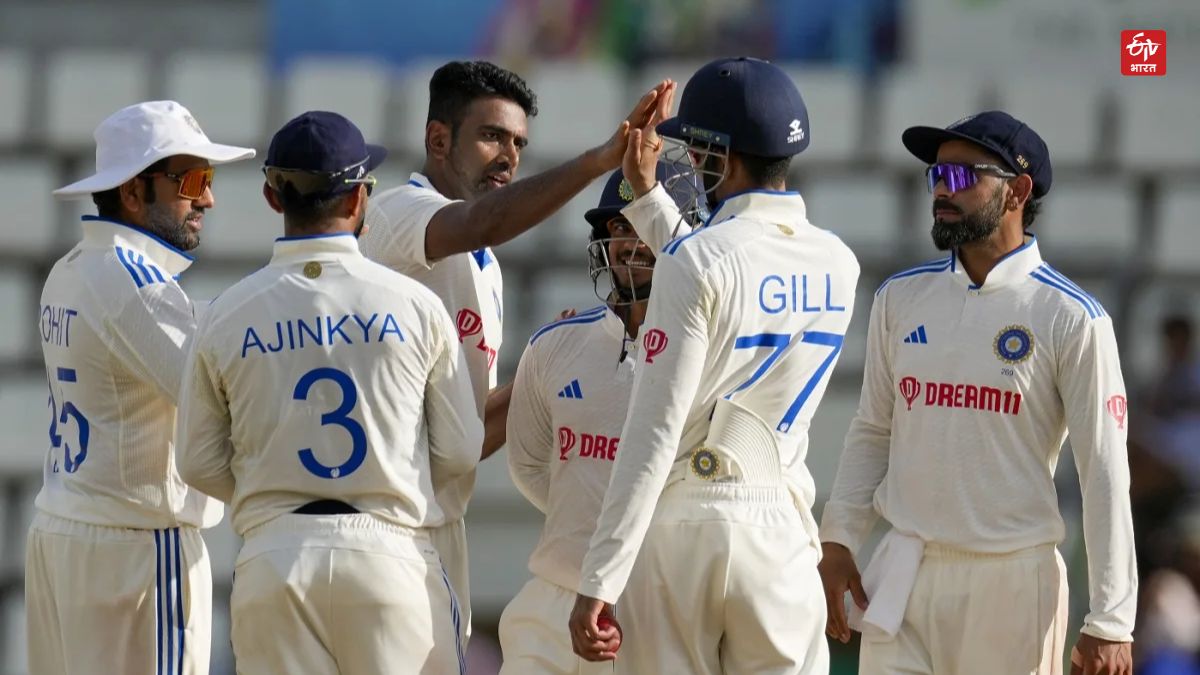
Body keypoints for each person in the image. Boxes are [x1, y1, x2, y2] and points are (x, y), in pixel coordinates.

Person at [817, 111, 1137, 675]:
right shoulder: (900, 297)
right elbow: (873, 429)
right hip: (906, 572)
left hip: (1010, 582)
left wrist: (1111, 619)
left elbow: (1104, 469)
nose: (943, 189)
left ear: (1017, 190)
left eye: (964, 177)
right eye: (937, 176)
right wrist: (839, 539)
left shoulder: (1071, 317)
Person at [569, 57, 861, 674]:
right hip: (779, 536)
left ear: (717, 156)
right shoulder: (840, 262)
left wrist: (601, 576)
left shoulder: (695, 262)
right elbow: (728, 269)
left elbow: (653, 430)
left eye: (696, 149)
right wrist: (648, 199)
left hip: (684, 529)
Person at [359, 60, 669, 641]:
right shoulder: (398, 213)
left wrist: (545, 369)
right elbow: (485, 221)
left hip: (434, 518)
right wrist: (600, 161)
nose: (509, 155)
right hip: (378, 517)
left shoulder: (486, 266)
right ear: (437, 139)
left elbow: (466, 432)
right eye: (491, 136)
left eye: (519, 143)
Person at [175, 111, 483, 674]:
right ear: (360, 199)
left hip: (275, 558)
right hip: (389, 554)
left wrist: (272, 487)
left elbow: (196, 462)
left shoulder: (224, 315)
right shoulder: (415, 305)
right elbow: (461, 452)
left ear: (273, 198)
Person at [27, 100, 254, 675]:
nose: (208, 198)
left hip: (63, 532)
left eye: (209, 178)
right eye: (192, 179)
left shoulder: (71, 268)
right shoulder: (136, 280)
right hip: (136, 549)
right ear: (133, 192)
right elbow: (220, 400)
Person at [499, 162, 700, 674]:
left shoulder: (713, 358)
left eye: (645, 226)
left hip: (655, 605)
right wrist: (591, 523)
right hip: (553, 600)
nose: (632, 244)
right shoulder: (554, 344)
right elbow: (530, 468)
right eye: (618, 228)